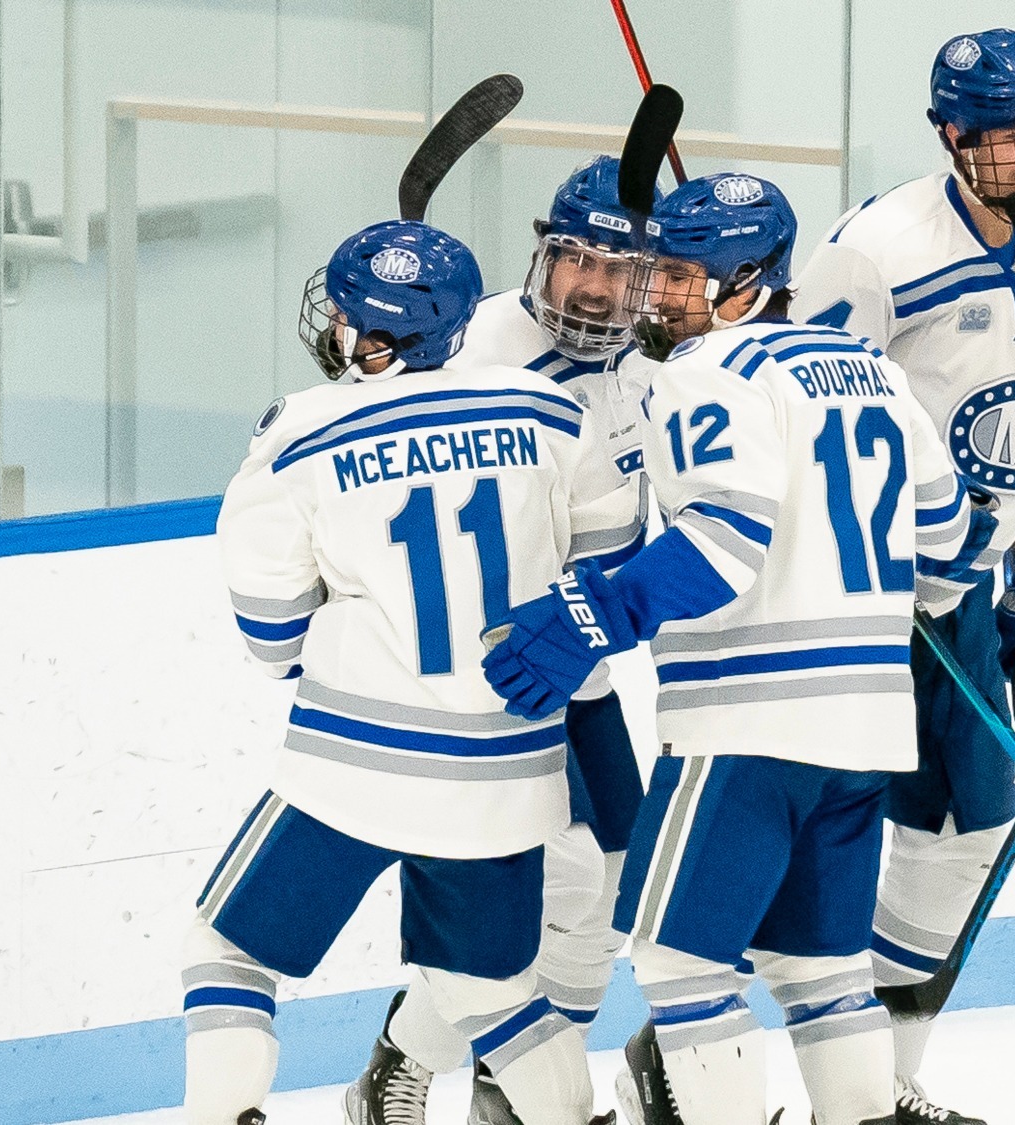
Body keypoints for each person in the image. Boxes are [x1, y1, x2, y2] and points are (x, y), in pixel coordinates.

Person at [482, 171, 1000, 1125]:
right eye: (659, 274)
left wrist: (597, 613)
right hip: (866, 730)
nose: (657, 298)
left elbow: (722, 544)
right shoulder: (872, 370)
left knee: (679, 965)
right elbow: (954, 540)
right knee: (823, 971)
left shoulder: (702, 373)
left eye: (683, 279)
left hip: (746, 726)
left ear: (749, 282)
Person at [187, 219, 603, 1125]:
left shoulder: (299, 432)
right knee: (494, 994)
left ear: (369, 336)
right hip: (508, 765)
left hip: (354, 763)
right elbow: (609, 558)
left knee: (226, 955)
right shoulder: (551, 412)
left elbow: (271, 634)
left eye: (346, 314)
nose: (335, 324)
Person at [788, 29, 1015, 1123]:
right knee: (799, 836)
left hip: (962, 588)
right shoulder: (875, 252)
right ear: (950, 138)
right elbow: (799, 406)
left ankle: (881, 1085)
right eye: (1010, 136)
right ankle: (685, 1059)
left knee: (965, 831)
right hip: (854, 595)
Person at [349, 155, 656, 1125]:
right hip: (486, 675)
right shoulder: (476, 342)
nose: (592, 286)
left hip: (582, 675)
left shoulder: (653, 368)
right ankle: (406, 1066)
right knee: (547, 885)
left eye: (618, 269)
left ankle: (505, 1092)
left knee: (611, 890)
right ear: (542, 254)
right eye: (575, 259)